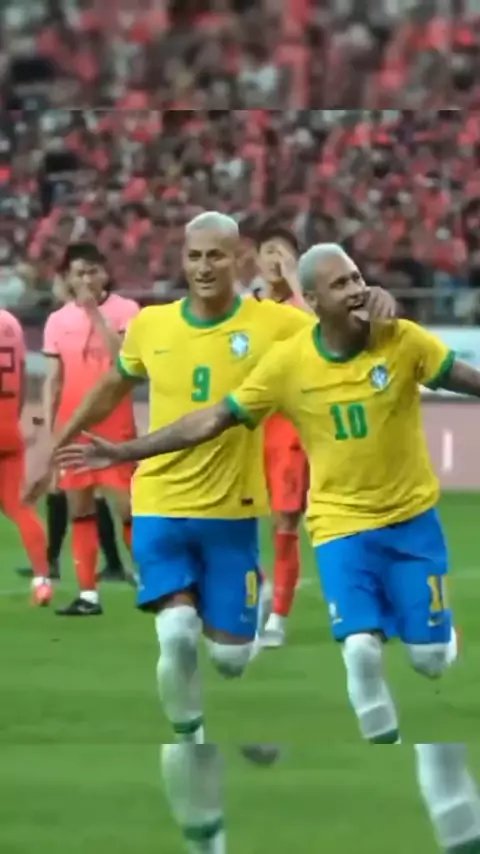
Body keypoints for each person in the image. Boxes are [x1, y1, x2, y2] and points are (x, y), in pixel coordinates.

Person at [59, 242, 480, 854]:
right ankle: (396, 771)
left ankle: (437, 643)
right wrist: (128, 450)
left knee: (431, 662)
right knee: (360, 650)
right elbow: (213, 418)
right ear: (314, 301)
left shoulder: (402, 338)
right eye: (340, 284)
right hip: (339, 526)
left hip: (413, 522)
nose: (356, 290)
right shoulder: (288, 364)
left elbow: (466, 379)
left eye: (357, 278)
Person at [37, 242, 138, 616]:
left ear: (105, 273)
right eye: (79, 273)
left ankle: (154, 581)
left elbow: (124, 360)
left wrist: (94, 313)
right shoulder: (57, 321)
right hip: (72, 426)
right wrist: (50, 430)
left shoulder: (126, 310)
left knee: (128, 508)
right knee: (79, 509)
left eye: (93, 271)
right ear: (67, 278)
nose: (86, 279)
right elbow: (53, 380)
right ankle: (88, 595)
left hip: (114, 424)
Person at [17, 272, 127, 583]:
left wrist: (47, 424)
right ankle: (97, 563)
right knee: (79, 492)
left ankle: (58, 562)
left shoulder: (75, 323)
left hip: (83, 416)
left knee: (77, 491)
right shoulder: (64, 322)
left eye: (58, 281)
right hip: (78, 415)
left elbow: (58, 380)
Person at [255, 225, 309, 648]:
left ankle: (278, 614)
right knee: (238, 517)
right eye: (269, 251)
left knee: (286, 519)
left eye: (283, 253)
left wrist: (295, 281)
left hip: (292, 424)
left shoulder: (306, 306)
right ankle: (257, 592)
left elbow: (322, 335)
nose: (275, 259)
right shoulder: (247, 308)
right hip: (250, 424)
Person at [0, 309, 52, 606]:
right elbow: (21, 380)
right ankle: (42, 581)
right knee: (20, 508)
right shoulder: (10, 323)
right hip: (8, 425)